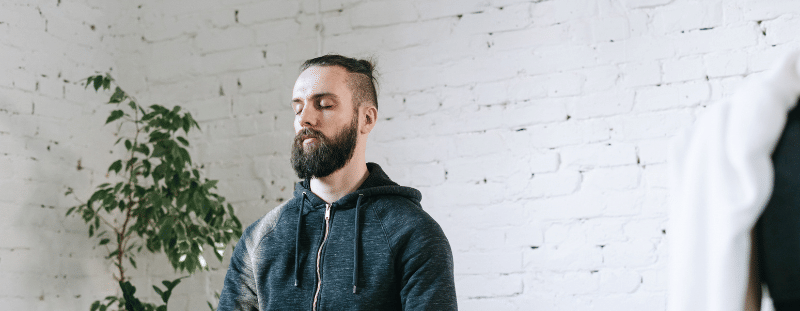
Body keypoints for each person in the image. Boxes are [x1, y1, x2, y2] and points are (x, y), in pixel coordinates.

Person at [217, 54, 457, 310]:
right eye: (298, 107)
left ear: (367, 119)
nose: (304, 118)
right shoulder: (262, 237)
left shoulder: (412, 233)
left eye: (324, 104)